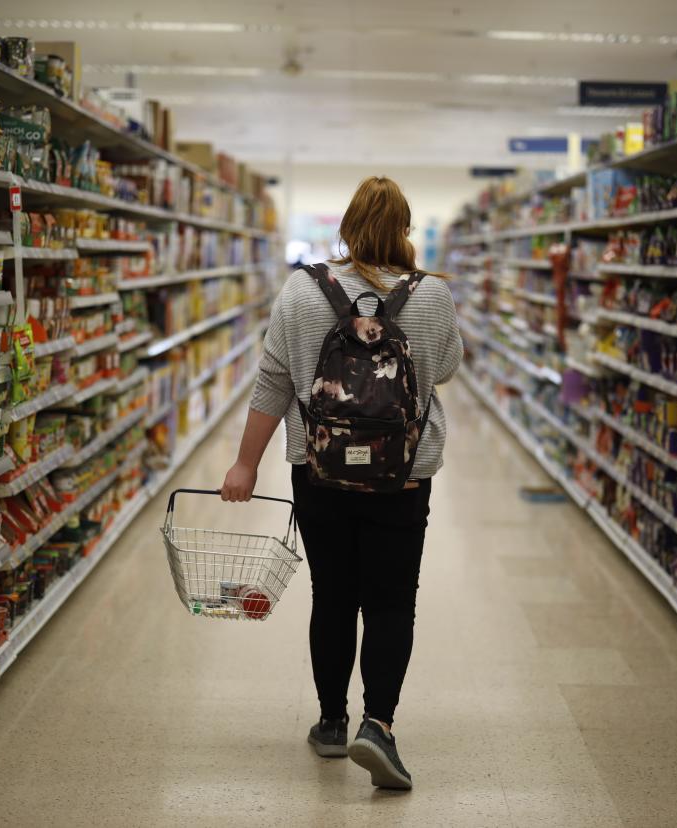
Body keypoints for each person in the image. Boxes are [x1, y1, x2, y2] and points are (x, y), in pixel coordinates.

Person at [220, 176, 462, 790]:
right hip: (404, 475)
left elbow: (274, 380)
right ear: (404, 230)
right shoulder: (432, 295)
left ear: (347, 229)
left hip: (320, 470)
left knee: (333, 596)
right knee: (390, 599)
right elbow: (450, 368)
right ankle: (378, 724)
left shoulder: (302, 289)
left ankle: (331, 723)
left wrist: (244, 464)